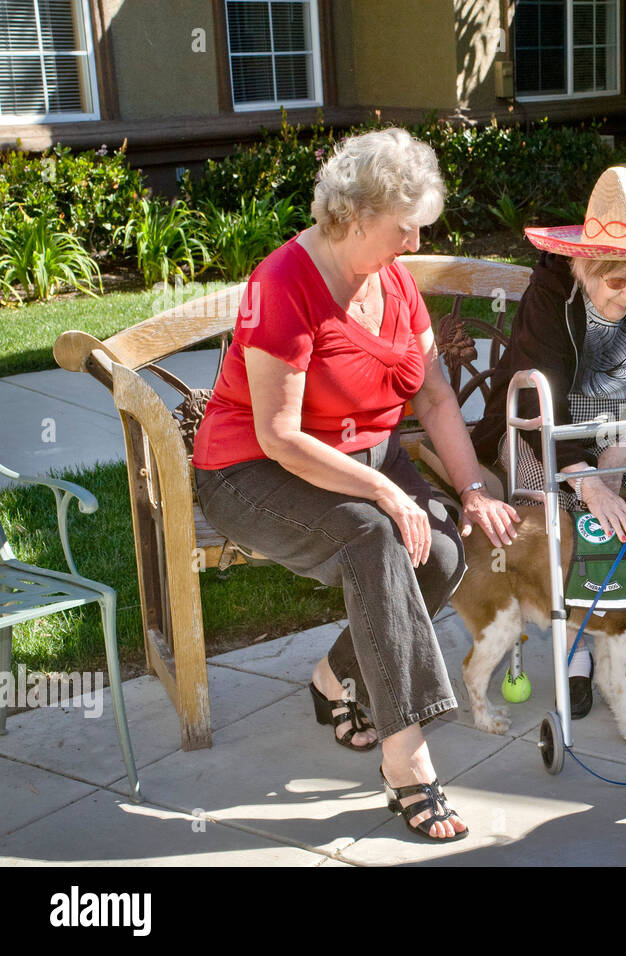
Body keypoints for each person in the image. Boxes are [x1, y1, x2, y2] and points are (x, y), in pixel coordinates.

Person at [192, 128, 521, 842]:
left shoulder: (395, 283)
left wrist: (470, 491)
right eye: (404, 230)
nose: (412, 245)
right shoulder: (282, 284)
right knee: (375, 538)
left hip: (366, 460)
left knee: (441, 551)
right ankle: (410, 764)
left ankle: (336, 678)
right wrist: (383, 493)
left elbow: (434, 400)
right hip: (252, 470)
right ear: (357, 215)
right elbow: (280, 436)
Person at [472, 166, 626, 711]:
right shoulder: (549, 294)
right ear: (585, 268)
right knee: (566, 505)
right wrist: (591, 480)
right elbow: (535, 398)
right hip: (540, 431)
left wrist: (620, 455)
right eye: (616, 282)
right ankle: (578, 644)